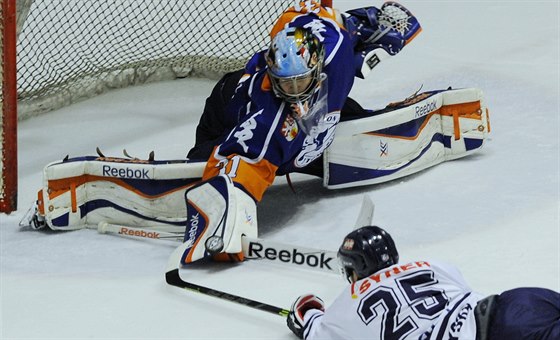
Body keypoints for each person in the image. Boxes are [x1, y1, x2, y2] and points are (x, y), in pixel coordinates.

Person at [178, 1, 422, 264]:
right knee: (207, 163)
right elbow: (242, 162)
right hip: (227, 111)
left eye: (301, 81)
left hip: (307, 116)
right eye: (285, 83)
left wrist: (357, 24)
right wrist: (221, 229)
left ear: (317, 69)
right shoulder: (268, 119)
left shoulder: (336, 53)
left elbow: (311, 18)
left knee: (335, 117)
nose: (294, 91)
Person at [286, 226, 560, 340]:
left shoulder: (351, 302)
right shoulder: (430, 265)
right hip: (518, 301)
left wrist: (307, 308)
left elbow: (309, 325)